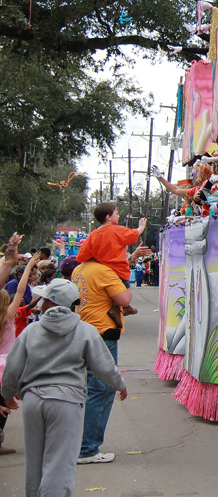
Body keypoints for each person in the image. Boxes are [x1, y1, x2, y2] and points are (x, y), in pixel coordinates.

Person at [1, 278, 126, 495]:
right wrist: (119, 384)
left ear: (47, 302)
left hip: (32, 401)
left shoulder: (32, 331)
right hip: (66, 402)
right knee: (59, 464)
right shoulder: (85, 331)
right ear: (72, 303)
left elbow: (13, 367)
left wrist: (7, 393)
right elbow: (104, 366)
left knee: (35, 462)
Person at [71, 245, 144, 465]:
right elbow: (124, 299)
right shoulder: (103, 271)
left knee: (90, 389)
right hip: (103, 333)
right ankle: (87, 449)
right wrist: (126, 283)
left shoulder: (80, 269)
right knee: (101, 390)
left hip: (85, 330)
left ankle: (80, 444)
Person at [0, 254, 40, 455]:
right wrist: (29, 266)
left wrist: (7, 262)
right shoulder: (8, 317)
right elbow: (21, 290)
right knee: (5, 402)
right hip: (6, 365)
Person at [76, 203, 146, 288]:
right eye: (116, 213)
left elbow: (82, 256)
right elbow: (134, 233)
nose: (119, 216)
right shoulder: (117, 231)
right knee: (123, 298)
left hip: (100, 274)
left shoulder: (93, 235)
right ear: (108, 217)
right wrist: (142, 226)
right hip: (118, 274)